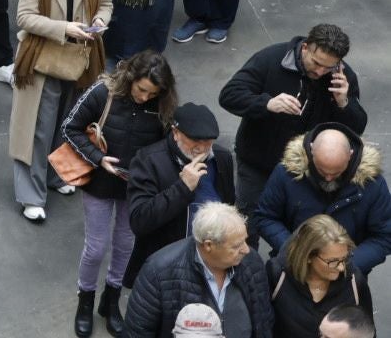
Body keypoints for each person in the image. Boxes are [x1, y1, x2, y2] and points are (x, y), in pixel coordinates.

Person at [62, 51, 178, 337]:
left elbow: (167, 147)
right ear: (130, 79)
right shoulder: (103, 92)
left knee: (126, 245)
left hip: (136, 188)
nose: (144, 97)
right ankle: (86, 298)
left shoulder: (164, 105)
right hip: (99, 182)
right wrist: (98, 158)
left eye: (152, 93)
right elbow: (69, 127)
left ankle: (111, 299)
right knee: (96, 247)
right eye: (141, 90)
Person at [11, 0, 113, 222]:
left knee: (69, 123)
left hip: (80, 59)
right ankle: (31, 194)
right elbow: (25, 18)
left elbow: (105, 3)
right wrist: (64, 28)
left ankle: (55, 178)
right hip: (43, 59)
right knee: (37, 130)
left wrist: (100, 23)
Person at [218, 24, 367, 213]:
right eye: (316, 62)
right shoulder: (271, 59)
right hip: (257, 163)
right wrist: (267, 104)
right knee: (249, 220)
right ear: (305, 47)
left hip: (307, 170)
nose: (320, 72)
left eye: (328, 67)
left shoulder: (342, 78)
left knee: (297, 225)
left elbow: (357, 127)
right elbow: (229, 95)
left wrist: (344, 102)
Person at [126, 103, 237, 289]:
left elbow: (229, 206)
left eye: (208, 142)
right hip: (164, 268)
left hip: (208, 263)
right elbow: (139, 220)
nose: (202, 149)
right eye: (195, 140)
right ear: (175, 132)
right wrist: (183, 187)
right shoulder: (148, 160)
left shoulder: (221, 158)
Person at [255, 126, 391, 274]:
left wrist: (343, 265)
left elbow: (384, 236)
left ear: (350, 155)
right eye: (322, 170)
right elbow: (265, 217)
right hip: (292, 268)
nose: (328, 178)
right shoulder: (286, 173)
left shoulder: (373, 183)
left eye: (336, 172)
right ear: (311, 151)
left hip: (346, 274)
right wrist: (295, 252)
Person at [126, 203, 273, 338]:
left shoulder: (251, 262)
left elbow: (264, 322)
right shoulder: (158, 272)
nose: (246, 250)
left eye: (245, 241)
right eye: (236, 246)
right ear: (208, 245)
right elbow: (137, 333)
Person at [267, 215, 375, 338]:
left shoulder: (355, 281)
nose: (341, 268)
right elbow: (262, 326)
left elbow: (367, 331)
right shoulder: (277, 275)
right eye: (332, 261)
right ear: (308, 257)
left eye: (345, 259)